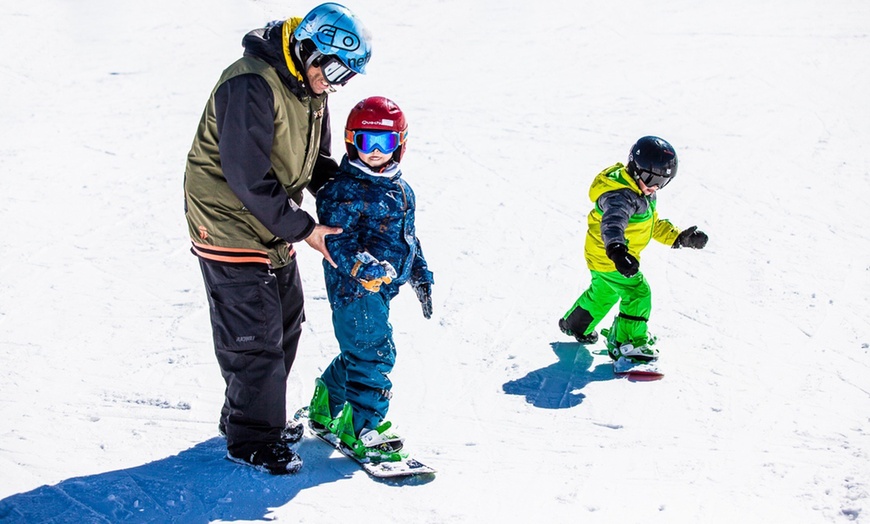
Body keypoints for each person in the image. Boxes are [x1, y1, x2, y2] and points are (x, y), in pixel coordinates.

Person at [183, 3, 372, 475]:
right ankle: (252, 438)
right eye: (332, 69)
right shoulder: (249, 83)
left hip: (268, 216)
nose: (335, 82)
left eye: (344, 76)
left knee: (287, 318)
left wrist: (355, 193)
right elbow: (246, 175)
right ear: (308, 47)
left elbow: (316, 163)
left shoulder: (309, 88)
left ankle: (250, 417)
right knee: (254, 333)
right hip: (227, 217)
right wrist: (305, 229)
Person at [306, 96, 434, 461]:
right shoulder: (342, 190)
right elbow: (337, 238)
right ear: (351, 142)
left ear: (400, 145)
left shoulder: (400, 189)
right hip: (354, 289)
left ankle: (325, 406)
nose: (375, 152)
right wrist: (363, 267)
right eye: (366, 142)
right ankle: (362, 427)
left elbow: (408, 237)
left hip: (380, 290)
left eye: (385, 143)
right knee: (375, 354)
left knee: (358, 352)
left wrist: (420, 273)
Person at [558, 136, 708, 363]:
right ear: (635, 169)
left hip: (602, 255)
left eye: (662, 182)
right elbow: (612, 224)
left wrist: (679, 237)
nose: (654, 186)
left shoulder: (642, 193)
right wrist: (617, 251)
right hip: (610, 255)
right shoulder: (620, 196)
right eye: (650, 178)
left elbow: (651, 224)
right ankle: (628, 342)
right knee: (638, 292)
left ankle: (577, 324)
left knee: (604, 292)